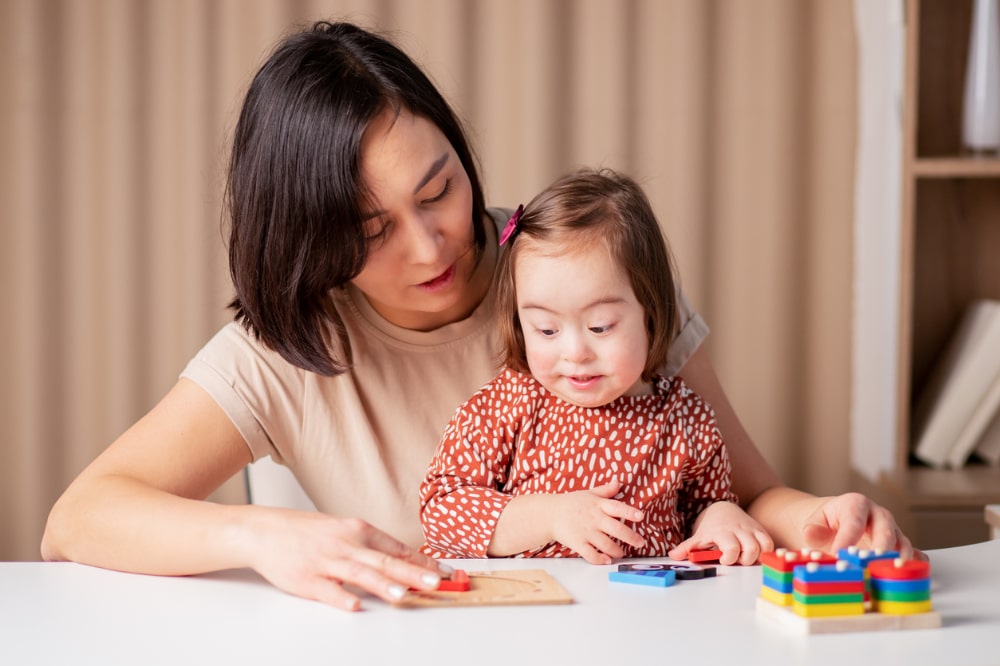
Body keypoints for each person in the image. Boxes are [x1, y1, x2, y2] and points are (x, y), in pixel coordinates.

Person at [40, 20, 914, 613]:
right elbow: (79, 519)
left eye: (440, 190)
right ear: (307, 241)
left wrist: (824, 519)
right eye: (371, 231)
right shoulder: (286, 351)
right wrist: (264, 537)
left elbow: (747, 492)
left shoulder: (580, 275)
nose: (431, 248)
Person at [420, 169, 766, 564]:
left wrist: (720, 520)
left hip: (642, 611)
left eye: (600, 326)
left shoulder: (684, 416)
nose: (575, 351)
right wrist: (552, 515)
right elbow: (441, 510)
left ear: (650, 316)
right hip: (529, 613)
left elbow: (709, 502)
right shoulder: (508, 404)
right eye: (546, 330)